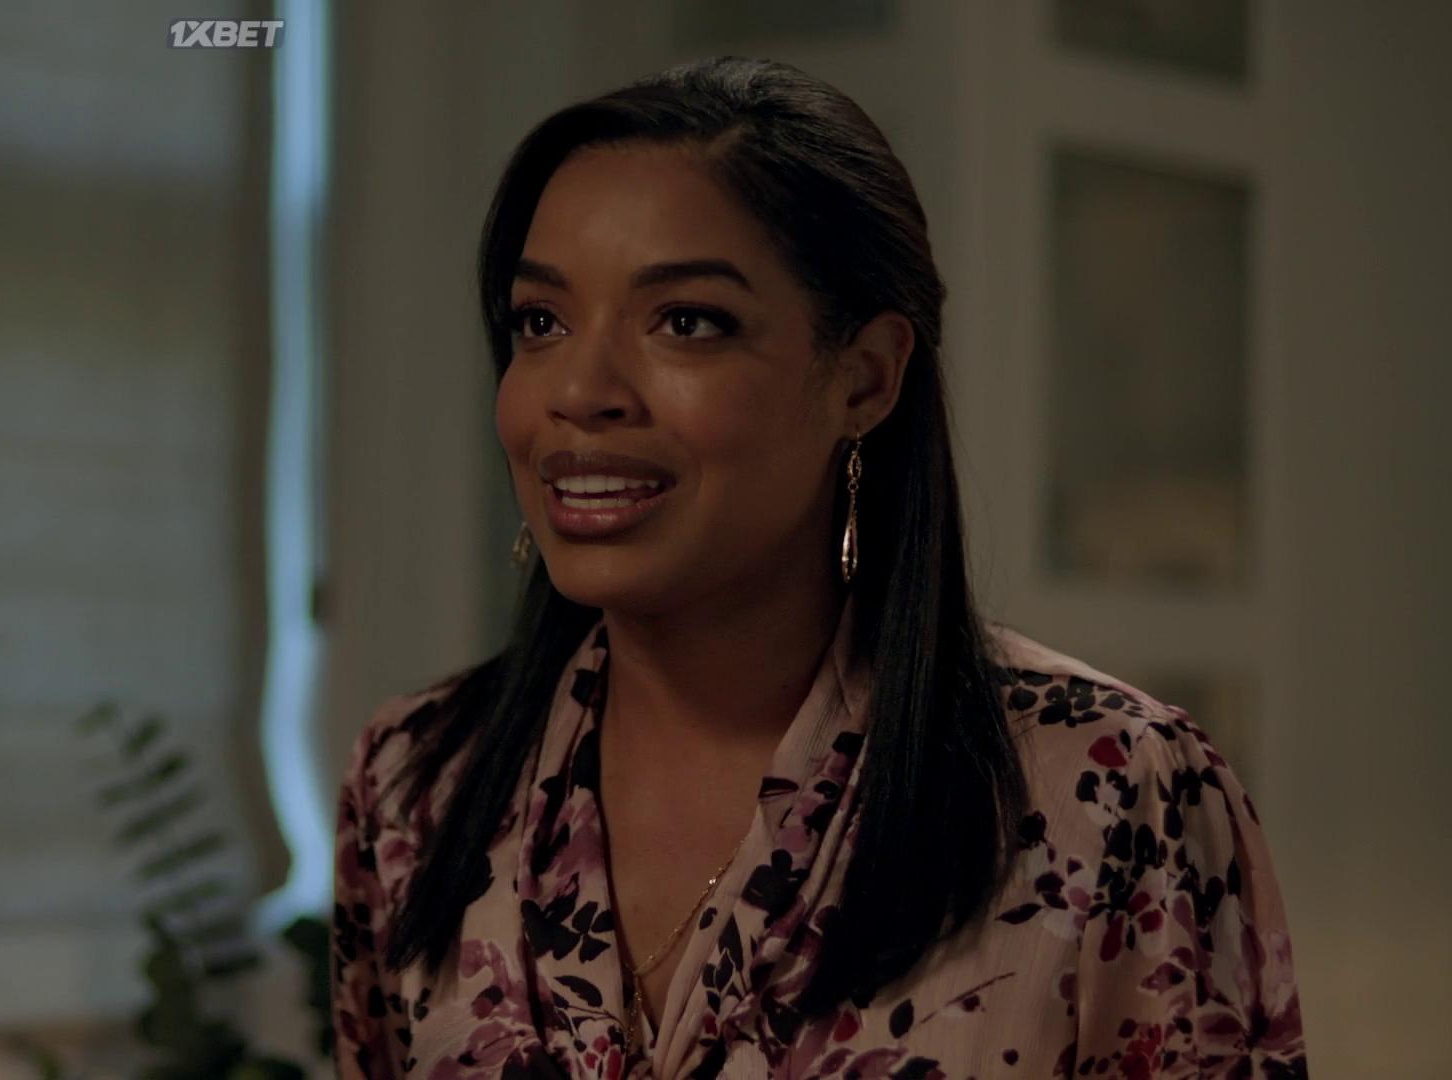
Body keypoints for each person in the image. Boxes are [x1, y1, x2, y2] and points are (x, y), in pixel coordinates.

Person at [330, 55, 1305, 1079]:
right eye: (542, 322)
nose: (580, 391)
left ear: (866, 378)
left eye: (686, 322)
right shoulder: (415, 784)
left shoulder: (1113, 791)